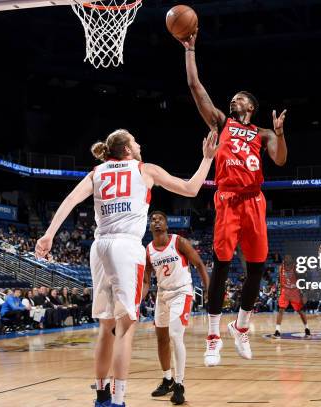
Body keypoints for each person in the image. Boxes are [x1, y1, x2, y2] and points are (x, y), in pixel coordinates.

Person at [35, 129, 217, 407]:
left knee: (105, 327)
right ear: (128, 150)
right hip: (126, 248)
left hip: (99, 247)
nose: (140, 143)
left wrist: (49, 235)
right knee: (125, 328)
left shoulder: (97, 172)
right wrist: (206, 159)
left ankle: (101, 395)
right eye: (135, 140)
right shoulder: (145, 169)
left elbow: (70, 200)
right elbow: (191, 188)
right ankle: (119, 400)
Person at [178, 29, 288, 366]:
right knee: (222, 266)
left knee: (256, 267)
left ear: (251, 107)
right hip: (227, 198)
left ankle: (241, 326)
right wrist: (190, 50)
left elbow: (281, 159)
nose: (234, 101)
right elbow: (196, 89)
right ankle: (213, 337)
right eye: (234, 98)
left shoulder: (264, 132)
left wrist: (280, 134)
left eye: (240, 98)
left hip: (254, 200)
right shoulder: (220, 123)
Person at [145, 211, 210, 405]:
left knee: (175, 335)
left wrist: (209, 291)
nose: (156, 222)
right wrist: (136, 301)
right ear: (150, 227)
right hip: (162, 295)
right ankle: (168, 380)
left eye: (160, 219)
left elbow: (198, 264)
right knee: (161, 339)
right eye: (153, 220)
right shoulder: (148, 250)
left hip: (182, 292)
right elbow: (147, 281)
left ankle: (180, 385)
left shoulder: (178, 241)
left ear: (166, 225)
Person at [273, 255, 310, 338]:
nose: (286, 259)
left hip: (294, 291)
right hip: (285, 291)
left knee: (300, 311)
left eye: (288, 258)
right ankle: (277, 330)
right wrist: (278, 291)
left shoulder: (295, 268)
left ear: (291, 261)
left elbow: (301, 280)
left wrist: (303, 293)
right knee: (281, 310)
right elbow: (279, 280)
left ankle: (307, 329)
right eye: (285, 258)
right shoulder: (281, 268)